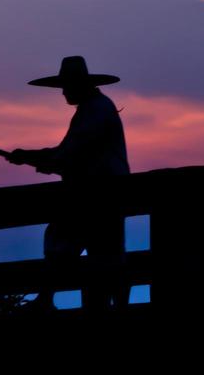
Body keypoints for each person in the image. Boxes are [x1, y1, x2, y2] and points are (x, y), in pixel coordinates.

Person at [7, 56, 130, 312]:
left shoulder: (95, 110)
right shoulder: (94, 108)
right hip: (100, 193)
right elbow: (67, 152)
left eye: (66, 86)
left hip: (97, 193)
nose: (63, 92)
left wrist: (32, 157)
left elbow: (70, 154)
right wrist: (33, 156)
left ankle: (50, 300)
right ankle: (102, 306)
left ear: (77, 85)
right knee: (101, 252)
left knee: (67, 244)